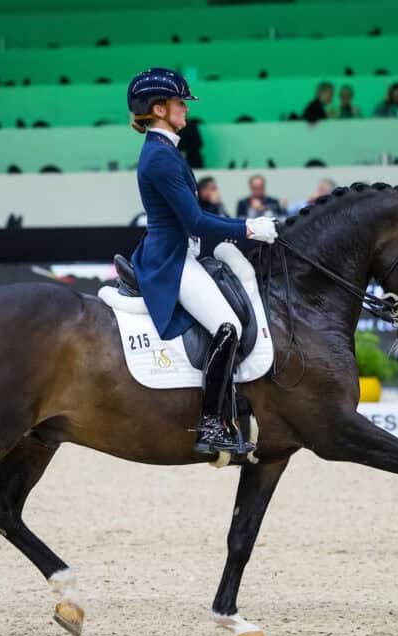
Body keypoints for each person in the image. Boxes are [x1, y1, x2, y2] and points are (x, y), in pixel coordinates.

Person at [126, 67, 277, 455]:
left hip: (183, 253)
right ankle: (212, 424)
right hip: (170, 261)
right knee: (226, 325)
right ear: (158, 109)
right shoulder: (160, 157)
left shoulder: (167, 150)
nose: (185, 110)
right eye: (179, 103)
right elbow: (194, 220)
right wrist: (249, 227)